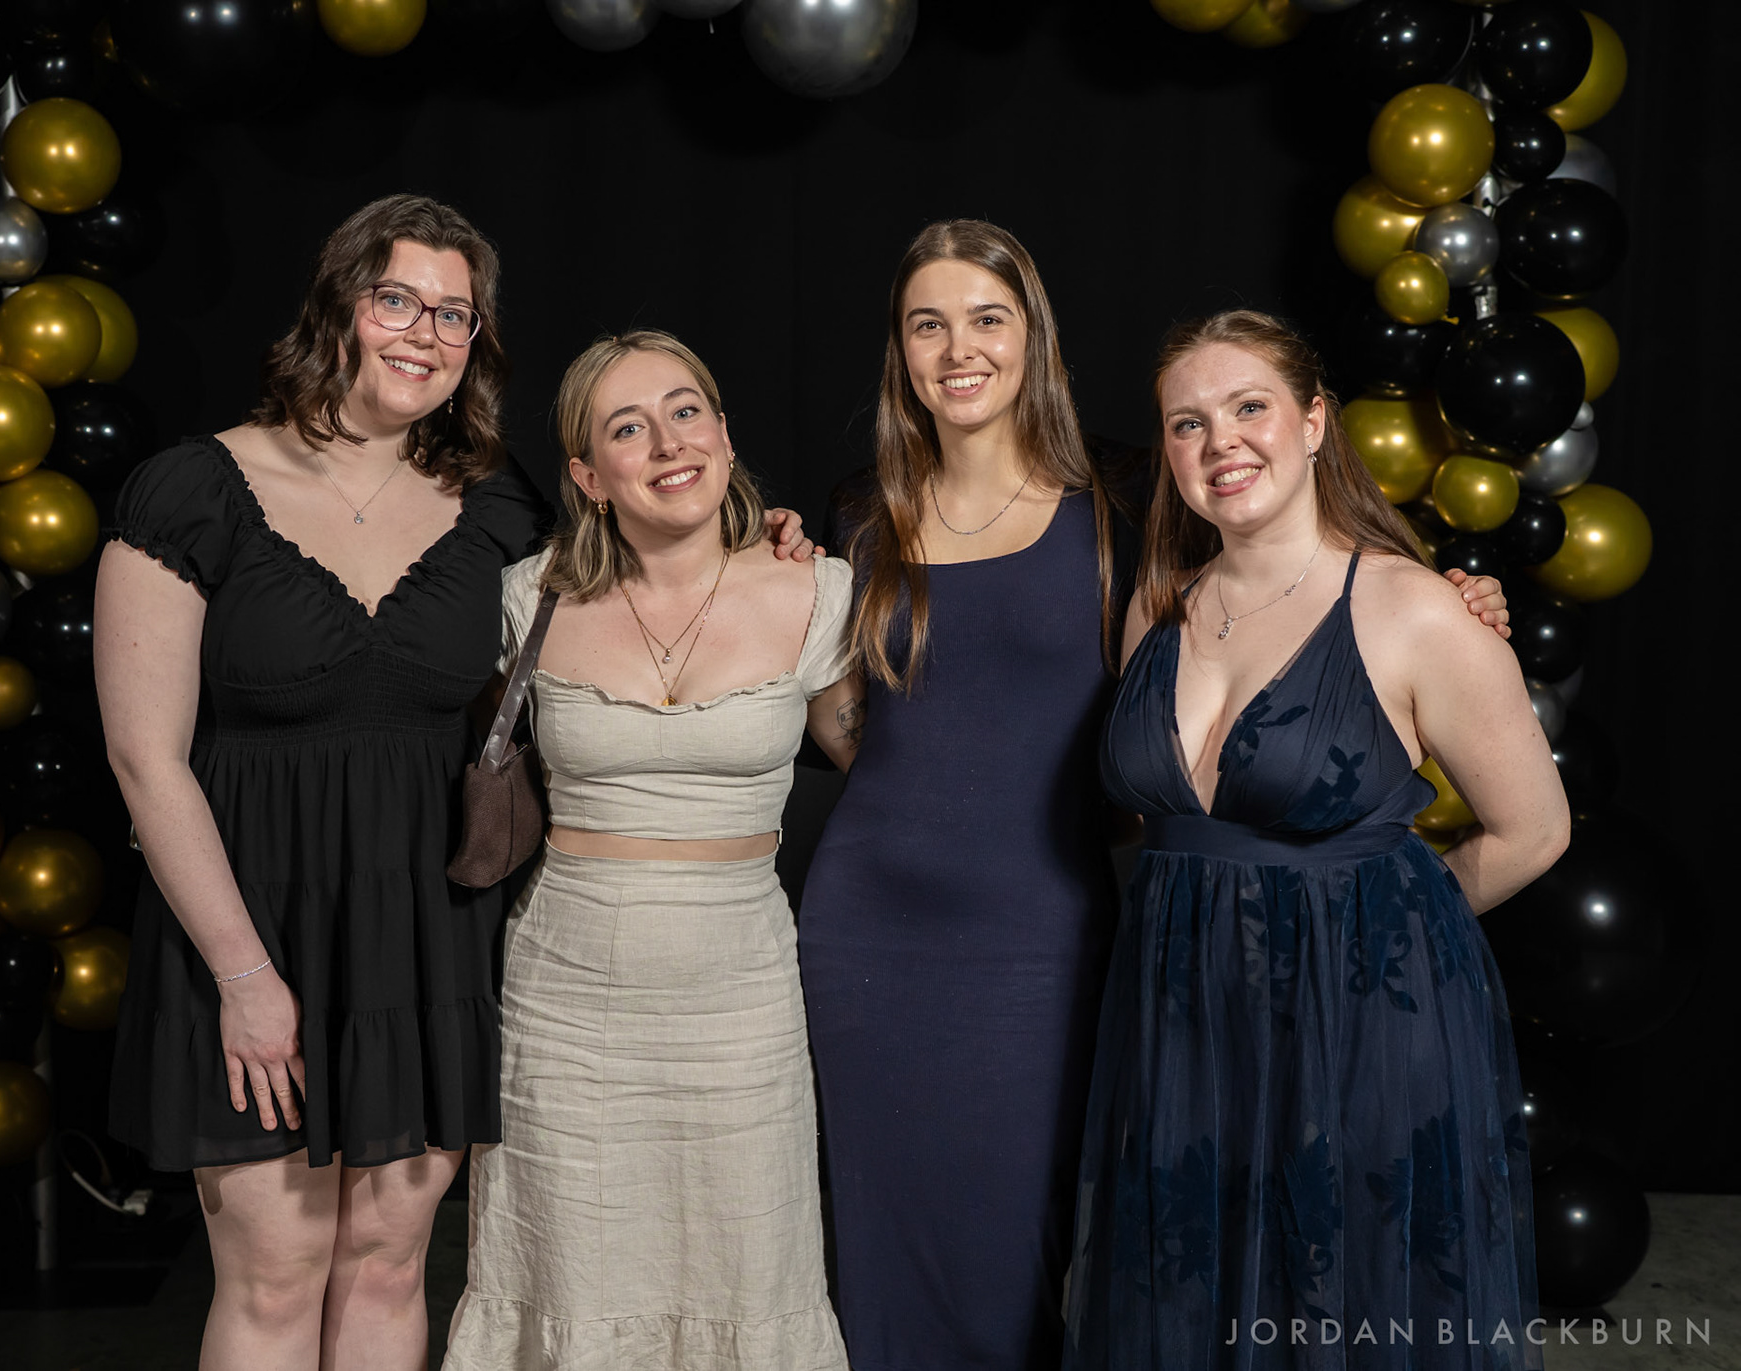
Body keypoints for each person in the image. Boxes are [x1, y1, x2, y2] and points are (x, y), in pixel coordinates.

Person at [97, 199, 811, 1371]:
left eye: (455, 315)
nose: (426, 333)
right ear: (339, 306)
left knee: (388, 1263)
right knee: (274, 1274)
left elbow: (647, 563)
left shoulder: (499, 507)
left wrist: (763, 540)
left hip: (426, 935)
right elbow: (143, 758)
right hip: (246, 922)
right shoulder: (193, 489)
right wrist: (243, 976)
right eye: (399, 300)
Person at [796, 222, 1516, 1371]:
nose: (959, 346)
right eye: (928, 323)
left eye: (988, 317)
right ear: (900, 351)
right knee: (873, 1241)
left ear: (1035, 337)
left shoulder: (1128, 496)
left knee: (1040, 1248)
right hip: (868, 924)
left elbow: (1286, 572)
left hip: (1046, 926)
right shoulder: (856, 513)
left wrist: (1453, 606)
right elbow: (858, 728)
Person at [1062, 310, 1567, 1369]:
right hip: (1182, 1032)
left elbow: (1533, 831)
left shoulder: (1416, 610)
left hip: (1355, 1033)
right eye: (1188, 423)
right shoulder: (1157, 612)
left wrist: (1374, 943)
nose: (1221, 442)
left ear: (1313, 422)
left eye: (1250, 407)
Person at [442, 331, 852, 1369]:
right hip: (566, 1003)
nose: (669, 442)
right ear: (588, 476)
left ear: (724, 434)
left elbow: (895, 776)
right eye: (628, 427)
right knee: (569, 1272)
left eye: (686, 411)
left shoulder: (821, 591)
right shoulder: (526, 599)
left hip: (743, 1003)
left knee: (746, 1268)